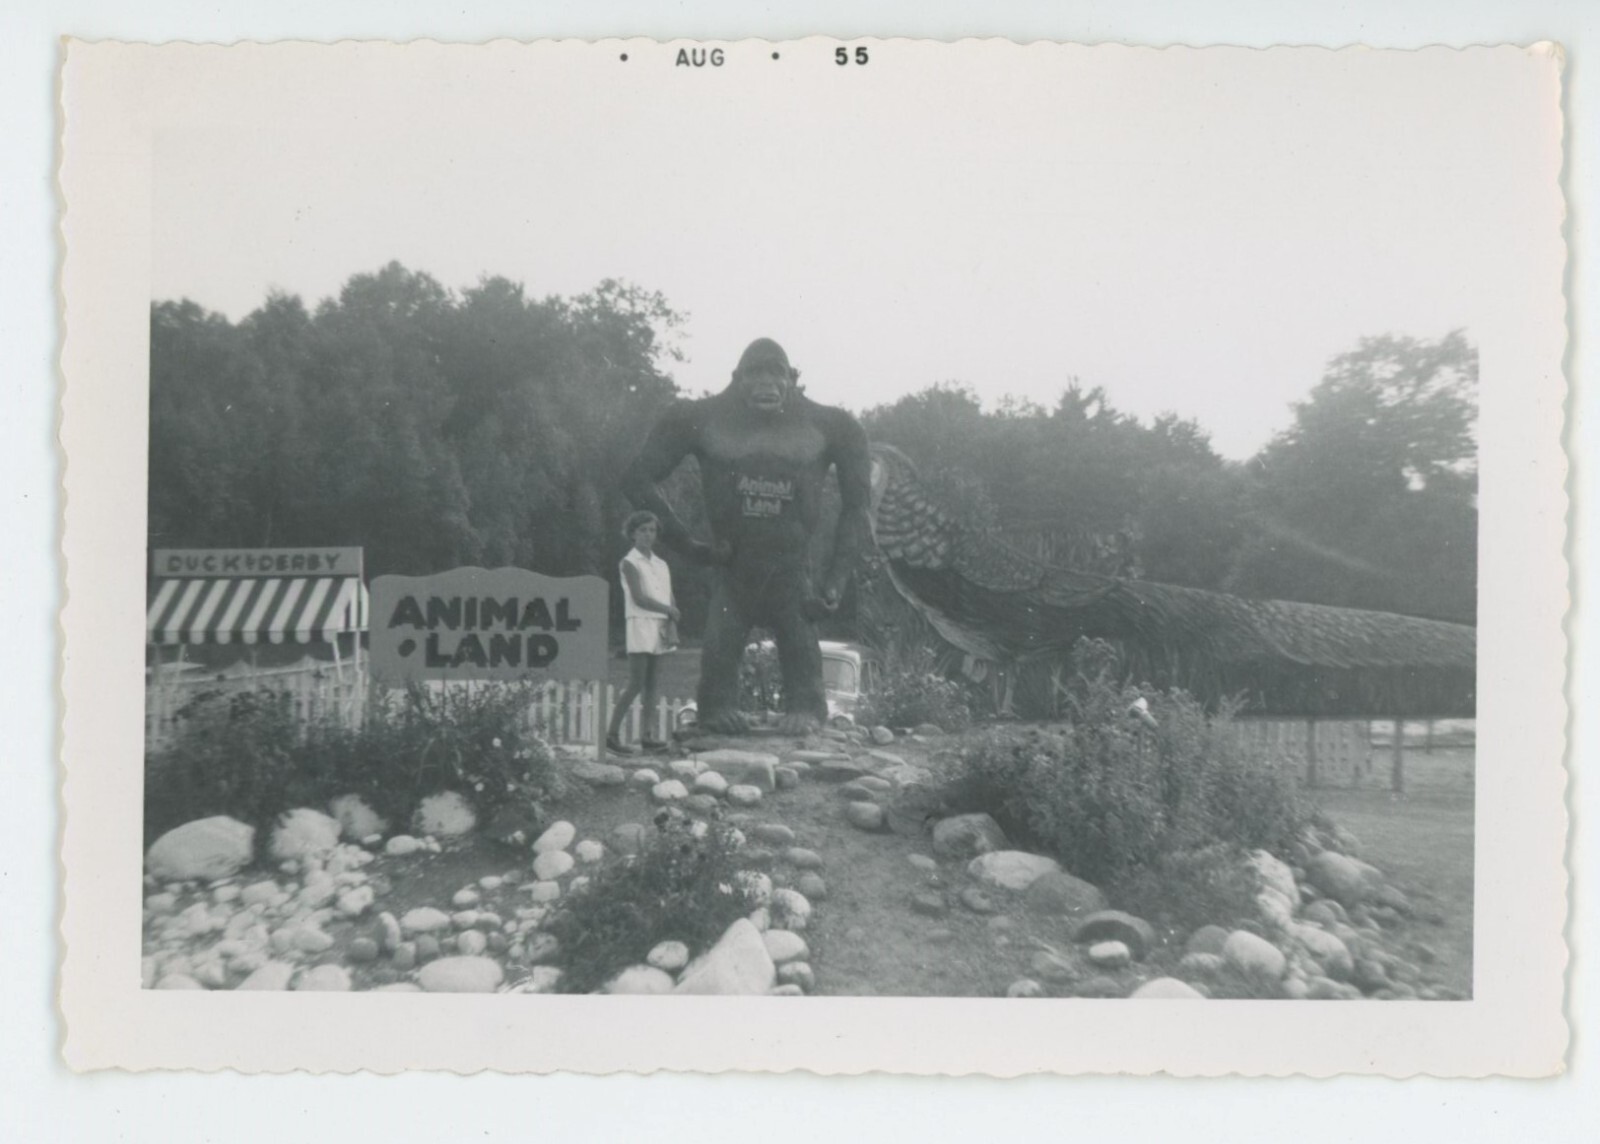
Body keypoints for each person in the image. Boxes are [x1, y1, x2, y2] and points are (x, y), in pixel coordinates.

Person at [607, 510, 680, 754]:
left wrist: (671, 617)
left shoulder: (661, 564)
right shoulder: (629, 562)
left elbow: (667, 593)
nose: (648, 535)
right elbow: (639, 598)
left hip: (659, 624)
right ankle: (612, 734)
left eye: (652, 530)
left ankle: (647, 736)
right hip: (640, 622)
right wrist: (667, 609)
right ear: (632, 533)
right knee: (636, 682)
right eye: (642, 530)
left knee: (653, 683)